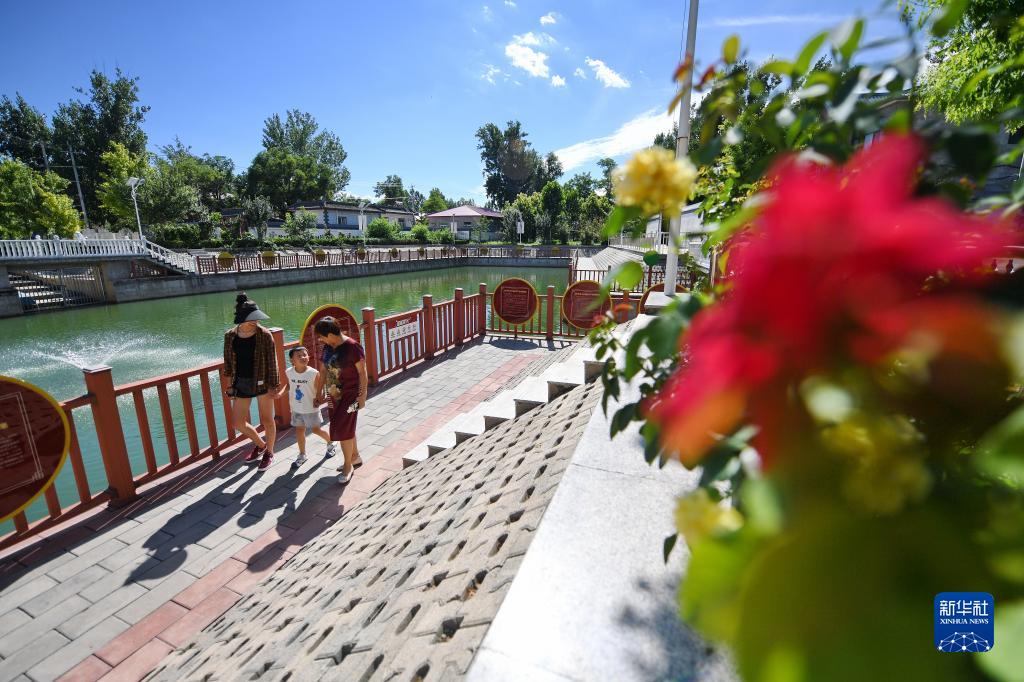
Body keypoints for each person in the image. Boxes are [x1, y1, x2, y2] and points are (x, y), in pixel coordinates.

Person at [223, 292, 280, 471]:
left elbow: (273, 362)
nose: (255, 322)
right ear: (242, 318)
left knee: (267, 420)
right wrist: (231, 385)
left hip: (263, 382)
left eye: (257, 318)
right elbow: (229, 362)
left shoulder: (265, 335)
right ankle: (261, 445)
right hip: (242, 382)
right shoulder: (230, 336)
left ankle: (269, 452)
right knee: (238, 422)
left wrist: (274, 386)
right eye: (251, 319)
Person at [314, 316, 368, 483]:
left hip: (350, 395)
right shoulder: (328, 347)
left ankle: (347, 466)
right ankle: (355, 457)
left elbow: (362, 372)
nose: (320, 339)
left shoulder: (352, 347)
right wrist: (318, 393)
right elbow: (323, 371)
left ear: (330, 334)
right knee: (344, 426)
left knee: (343, 429)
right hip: (333, 395)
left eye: (321, 336)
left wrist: (362, 395)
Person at [276, 346, 336, 469]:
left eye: (305, 354)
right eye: (299, 356)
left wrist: (319, 399)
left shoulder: (313, 373)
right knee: (299, 431)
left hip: (311, 408)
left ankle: (331, 442)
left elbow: (321, 389)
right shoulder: (289, 372)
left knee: (316, 430)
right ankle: (302, 455)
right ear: (292, 360)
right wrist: (280, 393)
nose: (303, 357)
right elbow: (289, 385)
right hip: (296, 408)